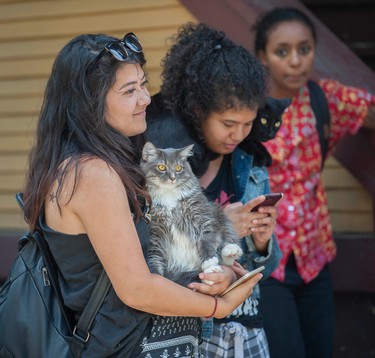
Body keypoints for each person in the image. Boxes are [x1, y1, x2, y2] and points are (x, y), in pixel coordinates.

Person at [21, 31, 264, 358]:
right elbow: (136, 288)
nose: (146, 98)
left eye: (144, 84)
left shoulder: (94, 165)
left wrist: (214, 276)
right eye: (130, 90)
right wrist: (217, 306)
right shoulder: (93, 174)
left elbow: (148, 265)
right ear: (90, 100)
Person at [146, 23, 282, 358]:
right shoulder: (164, 169)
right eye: (228, 124)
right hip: (184, 333)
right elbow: (153, 259)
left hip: (245, 331)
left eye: (248, 123)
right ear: (198, 111)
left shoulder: (250, 169)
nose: (239, 135)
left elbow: (265, 268)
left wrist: (263, 243)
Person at [252, 7, 375, 358]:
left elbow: (368, 110)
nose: (295, 61)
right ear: (263, 55)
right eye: (282, 51)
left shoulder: (325, 99)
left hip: (314, 257)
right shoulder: (247, 107)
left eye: (304, 49)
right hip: (266, 260)